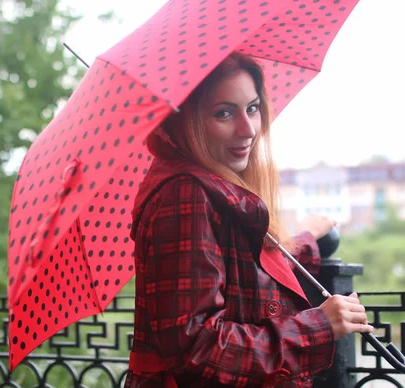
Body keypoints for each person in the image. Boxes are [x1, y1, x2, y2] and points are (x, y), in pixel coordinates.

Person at [123, 53, 374, 388]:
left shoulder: (210, 187)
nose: (248, 129)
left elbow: (245, 268)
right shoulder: (186, 193)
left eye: (253, 108)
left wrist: (307, 239)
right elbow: (196, 346)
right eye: (224, 113)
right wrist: (318, 327)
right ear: (188, 120)